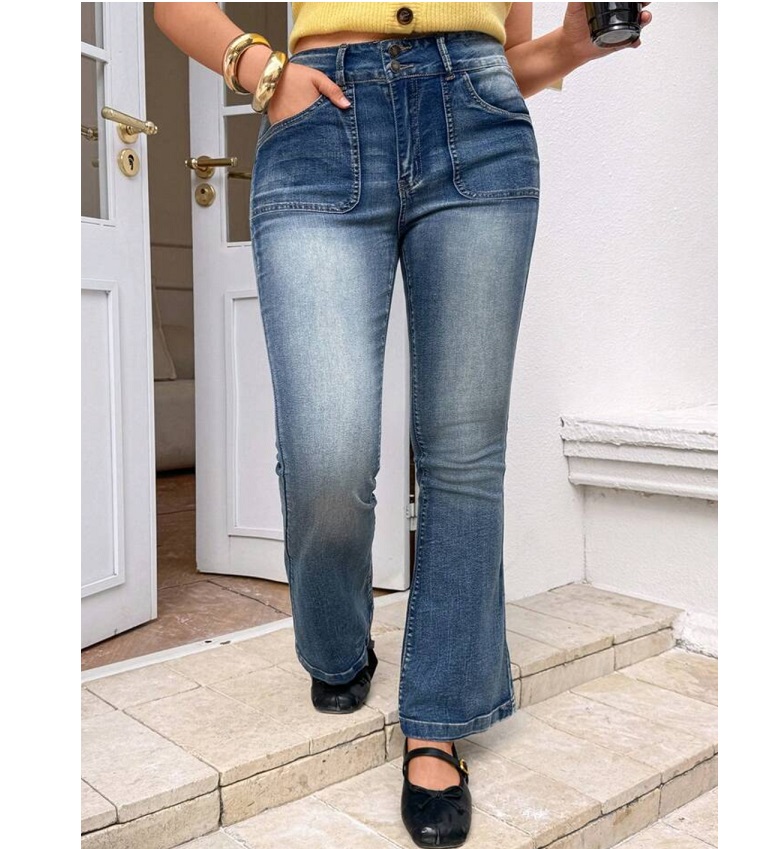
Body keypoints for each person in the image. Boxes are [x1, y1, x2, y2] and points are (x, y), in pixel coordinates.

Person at [154, 3, 652, 846]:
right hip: (321, 125)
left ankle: (440, 719)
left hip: (477, 125)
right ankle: (338, 646)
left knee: (464, 450)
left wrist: (571, 47)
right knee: (327, 449)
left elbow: (511, 55)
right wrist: (262, 71)